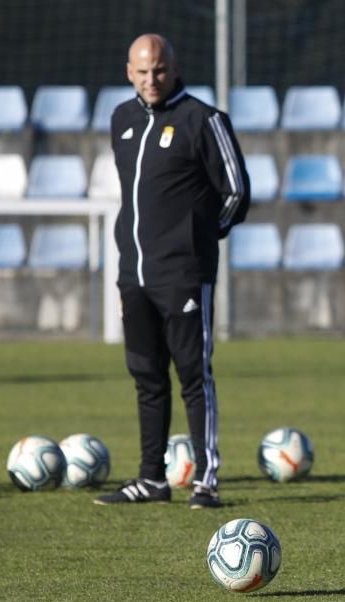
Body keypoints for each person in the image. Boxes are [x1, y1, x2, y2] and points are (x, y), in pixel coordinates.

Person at [95, 34, 250, 508]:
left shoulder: (204, 119)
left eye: (158, 71)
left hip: (184, 273)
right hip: (134, 274)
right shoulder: (121, 118)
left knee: (193, 374)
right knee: (146, 375)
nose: (151, 80)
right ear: (128, 72)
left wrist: (198, 241)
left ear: (173, 68)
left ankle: (206, 480)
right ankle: (151, 479)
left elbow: (237, 192)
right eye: (142, 72)